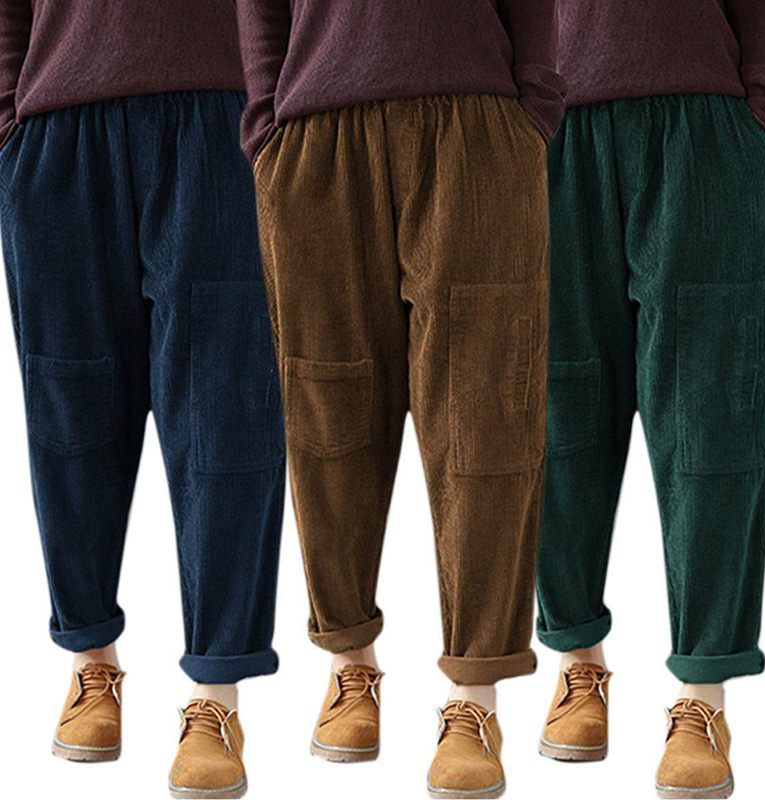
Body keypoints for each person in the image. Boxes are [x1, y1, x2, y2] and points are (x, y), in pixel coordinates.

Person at [237, 1, 564, 796]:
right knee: (327, 406)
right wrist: (267, 121)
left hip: (477, 126)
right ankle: (349, 662)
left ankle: (475, 696)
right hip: (315, 135)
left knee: (487, 412)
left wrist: (531, 109)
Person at [0, 3, 286, 798]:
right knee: (70, 406)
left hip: (220, 119)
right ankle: (90, 660)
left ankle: (215, 694)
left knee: (228, 413)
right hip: (58, 128)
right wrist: (11, 120)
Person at [535, 2, 765, 797]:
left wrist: (757, 107)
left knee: (712, 411)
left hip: (701, 125)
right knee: (553, 406)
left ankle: (702, 693)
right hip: (550, 128)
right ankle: (577, 659)